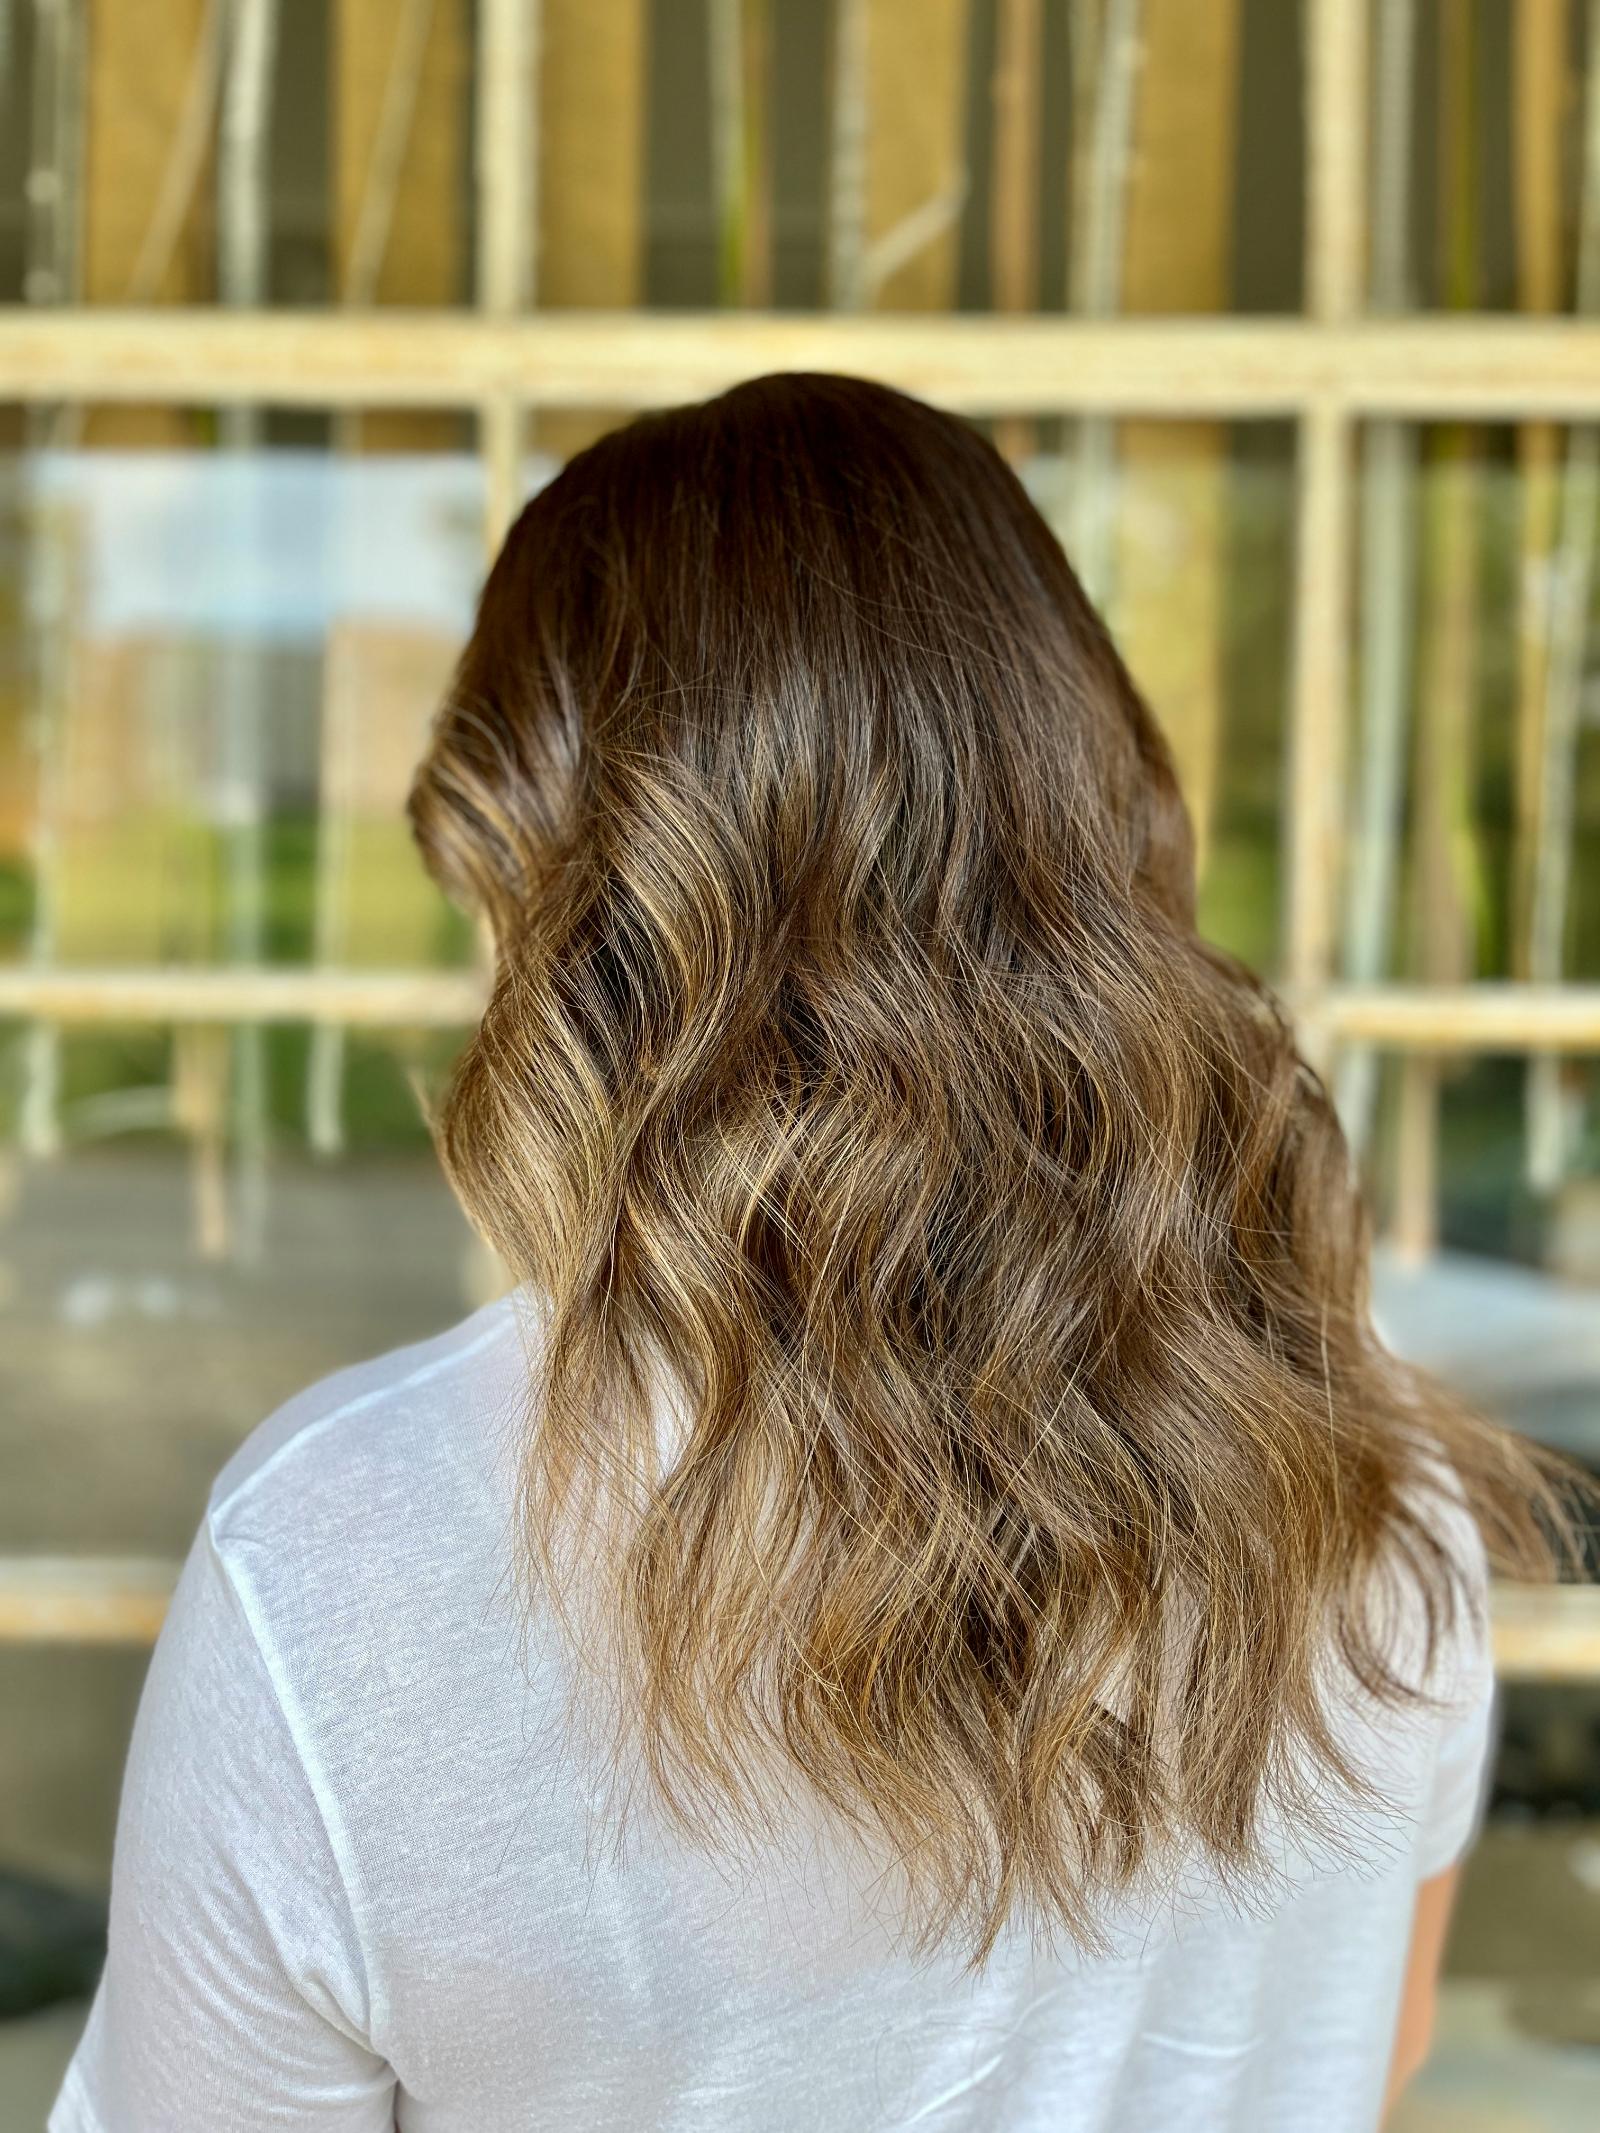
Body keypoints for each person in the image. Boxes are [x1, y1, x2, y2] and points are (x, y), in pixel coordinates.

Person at [51, 374, 1577, 2133]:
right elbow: (1364, 2073)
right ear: (1101, 829)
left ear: (556, 906)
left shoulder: (340, 1569)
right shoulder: (1385, 1494)